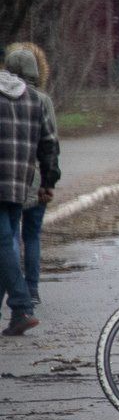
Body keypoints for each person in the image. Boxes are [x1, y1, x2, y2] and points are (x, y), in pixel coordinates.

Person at [0, 46, 57, 335]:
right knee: (10, 241)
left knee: (5, 243)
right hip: (21, 183)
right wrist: (48, 181)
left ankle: (22, 304)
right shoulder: (35, 99)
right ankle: (20, 308)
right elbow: (49, 144)